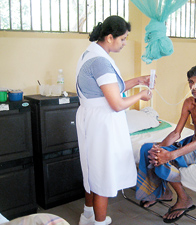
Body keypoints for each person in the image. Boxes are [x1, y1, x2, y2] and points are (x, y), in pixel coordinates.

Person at [76, 15, 153, 225]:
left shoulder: (90, 54)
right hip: (102, 123)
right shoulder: (100, 62)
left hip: (93, 119)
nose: (125, 43)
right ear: (110, 37)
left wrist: (138, 80)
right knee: (103, 174)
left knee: (92, 170)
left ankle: (88, 216)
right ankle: (99, 222)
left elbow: (111, 88)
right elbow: (117, 103)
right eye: (123, 39)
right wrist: (141, 96)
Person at [136, 64, 196, 223]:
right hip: (191, 141)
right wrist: (160, 148)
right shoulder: (189, 103)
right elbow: (177, 133)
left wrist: (169, 154)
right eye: (191, 82)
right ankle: (162, 192)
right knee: (148, 149)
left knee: (166, 159)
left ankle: (184, 199)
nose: (194, 86)